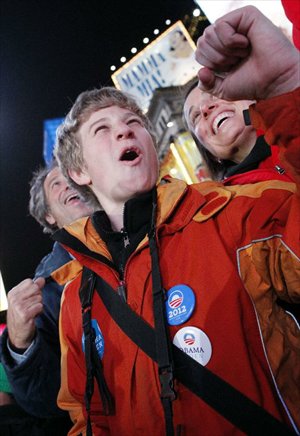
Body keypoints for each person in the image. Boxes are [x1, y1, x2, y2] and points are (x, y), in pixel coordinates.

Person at [53, 6, 300, 435]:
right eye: (103, 129)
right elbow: (87, 417)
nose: (126, 131)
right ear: (80, 172)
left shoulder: (234, 214)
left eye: (134, 123)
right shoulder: (77, 295)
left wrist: (288, 91)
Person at [0, 161, 95, 429]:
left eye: (73, 177)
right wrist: (20, 344)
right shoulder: (47, 288)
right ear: (49, 215)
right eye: (57, 184)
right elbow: (45, 400)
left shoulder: (149, 233)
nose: (69, 185)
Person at [183, 81, 295, 184]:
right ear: (209, 153)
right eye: (196, 116)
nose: (205, 108)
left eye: (215, 95)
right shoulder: (233, 202)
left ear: (252, 98)